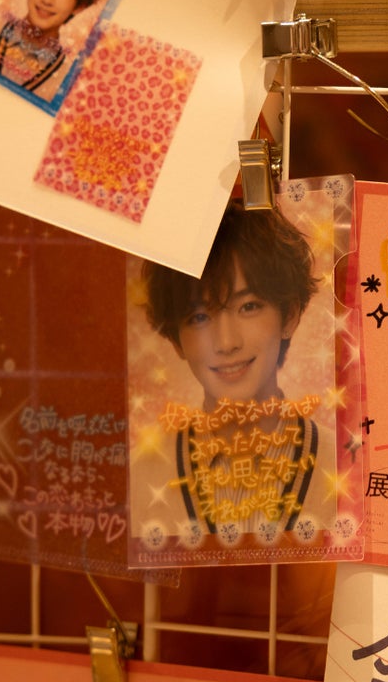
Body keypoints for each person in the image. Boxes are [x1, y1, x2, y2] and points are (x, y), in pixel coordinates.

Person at [141, 201, 334, 543]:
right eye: (200, 317)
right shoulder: (141, 475)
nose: (226, 343)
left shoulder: (341, 466)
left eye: (249, 306)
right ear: (176, 340)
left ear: (289, 315)